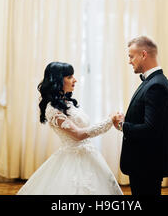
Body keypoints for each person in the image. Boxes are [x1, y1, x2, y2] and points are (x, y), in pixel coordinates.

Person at [17, 61, 123, 195]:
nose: (75, 80)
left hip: (89, 155)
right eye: (69, 77)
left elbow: (83, 127)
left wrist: (109, 120)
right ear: (57, 81)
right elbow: (78, 135)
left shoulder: (67, 103)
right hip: (73, 158)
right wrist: (109, 121)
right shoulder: (52, 109)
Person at [112, 36, 168, 196]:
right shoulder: (152, 81)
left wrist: (121, 125)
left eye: (131, 56)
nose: (129, 61)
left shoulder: (156, 85)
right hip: (144, 162)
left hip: (146, 163)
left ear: (144, 54)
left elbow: (151, 130)